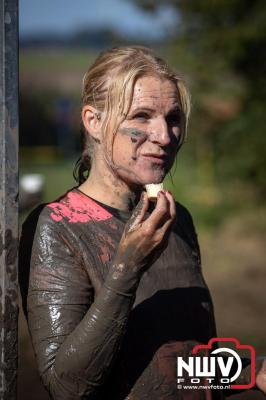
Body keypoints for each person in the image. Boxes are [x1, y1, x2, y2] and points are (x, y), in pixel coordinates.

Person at [21, 46, 266, 400]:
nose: (164, 136)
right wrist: (127, 266)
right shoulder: (58, 226)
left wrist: (252, 371)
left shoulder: (175, 219)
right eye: (141, 116)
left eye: (173, 118)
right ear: (94, 121)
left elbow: (178, 369)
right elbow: (68, 388)